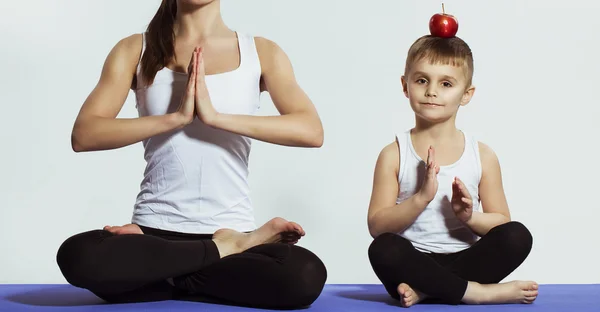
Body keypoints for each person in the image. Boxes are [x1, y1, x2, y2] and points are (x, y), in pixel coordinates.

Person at [56, 0, 327, 309]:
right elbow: (85, 134)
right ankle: (219, 254)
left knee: (305, 275)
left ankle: (169, 274)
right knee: (78, 255)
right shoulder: (135, 49)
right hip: (152, 237)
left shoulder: (262, 52)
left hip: (231, 230)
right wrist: (175, 119)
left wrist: (215, 117)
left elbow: (310, 130)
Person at [366, 34, 538, 307]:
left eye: (446, 83)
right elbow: (377, 227)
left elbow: (501, 224)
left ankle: (430, 291)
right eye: (422, 80)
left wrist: (469, 217)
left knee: (518, 236)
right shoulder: (393, 154)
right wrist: (421, 198)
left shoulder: (482, 155)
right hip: (413, 262)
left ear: (466, 94)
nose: (432, 90)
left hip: (466, 260)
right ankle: (477, 293)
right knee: (384, 249)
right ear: (405, 85)